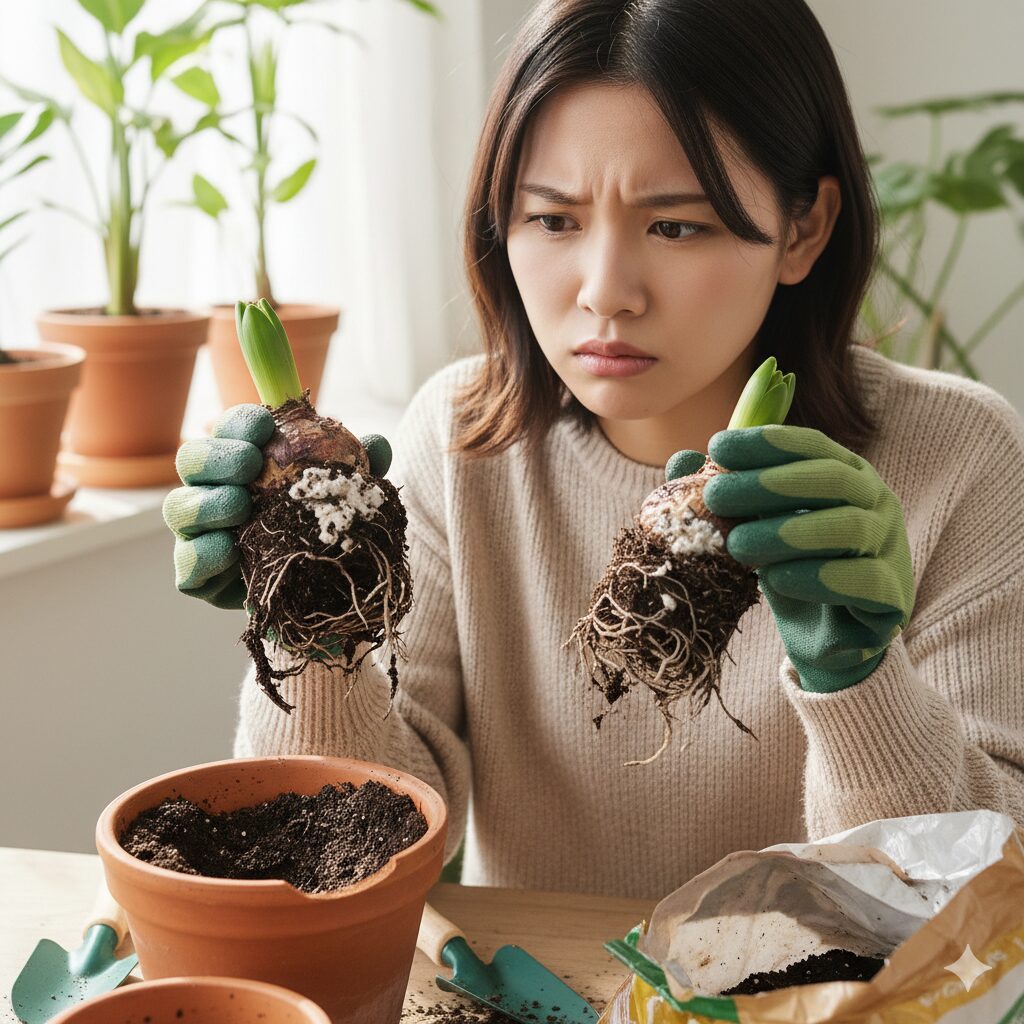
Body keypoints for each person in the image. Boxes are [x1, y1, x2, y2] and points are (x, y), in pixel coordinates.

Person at [163, 0, 1024, 901]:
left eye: (677, 225)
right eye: (554, 220)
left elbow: (982, 899)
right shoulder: (460, 443)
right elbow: (352, 850)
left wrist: (859, 683)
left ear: (803, 229)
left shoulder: (958, 455)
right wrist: (313, 624)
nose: (606, 292)